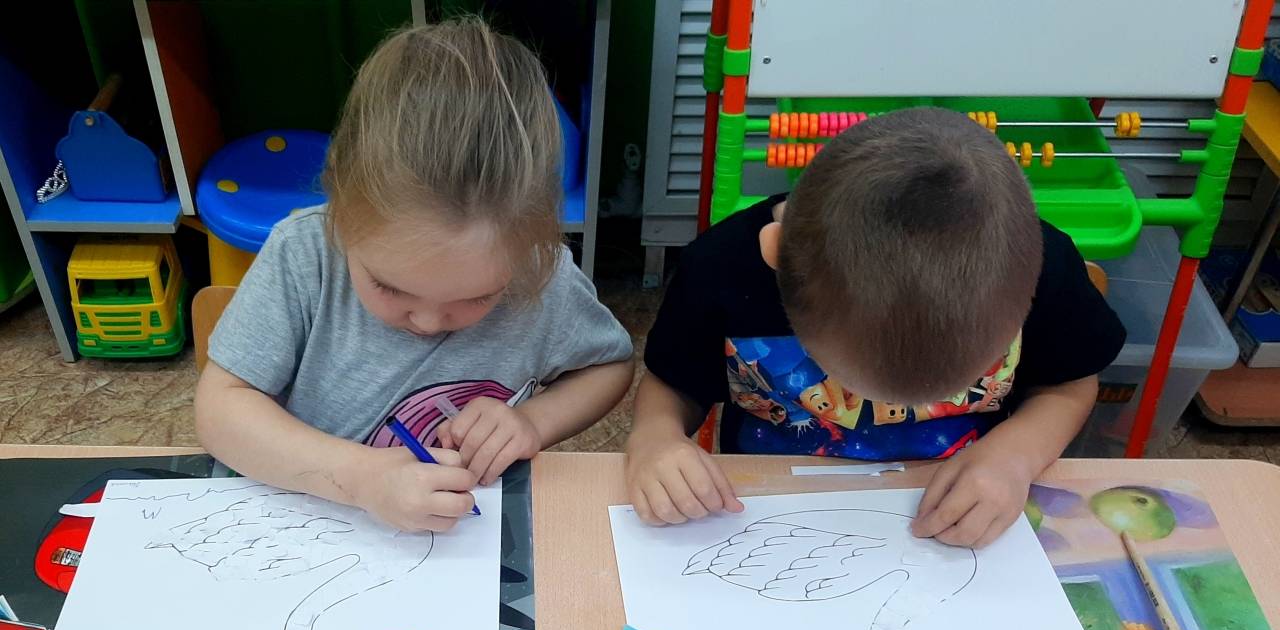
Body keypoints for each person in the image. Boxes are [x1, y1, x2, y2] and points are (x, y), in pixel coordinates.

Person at [196, 19, 634, 532]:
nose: (427, 322)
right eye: (389, 286)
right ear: (342, 208)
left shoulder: (542, 273)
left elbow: (609, 366)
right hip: (311, 527)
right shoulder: (305, 254)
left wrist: (534, 421)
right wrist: (360, 479)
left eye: (478, 297)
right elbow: (220, 411)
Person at [626, 106, 1125, 547]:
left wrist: (1016, 456)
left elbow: (1067, 385)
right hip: (767, 510)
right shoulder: (720, 269)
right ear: (776, 256)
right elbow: (675, 385)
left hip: (966, 508)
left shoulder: (1040, 266)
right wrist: (655, 437)